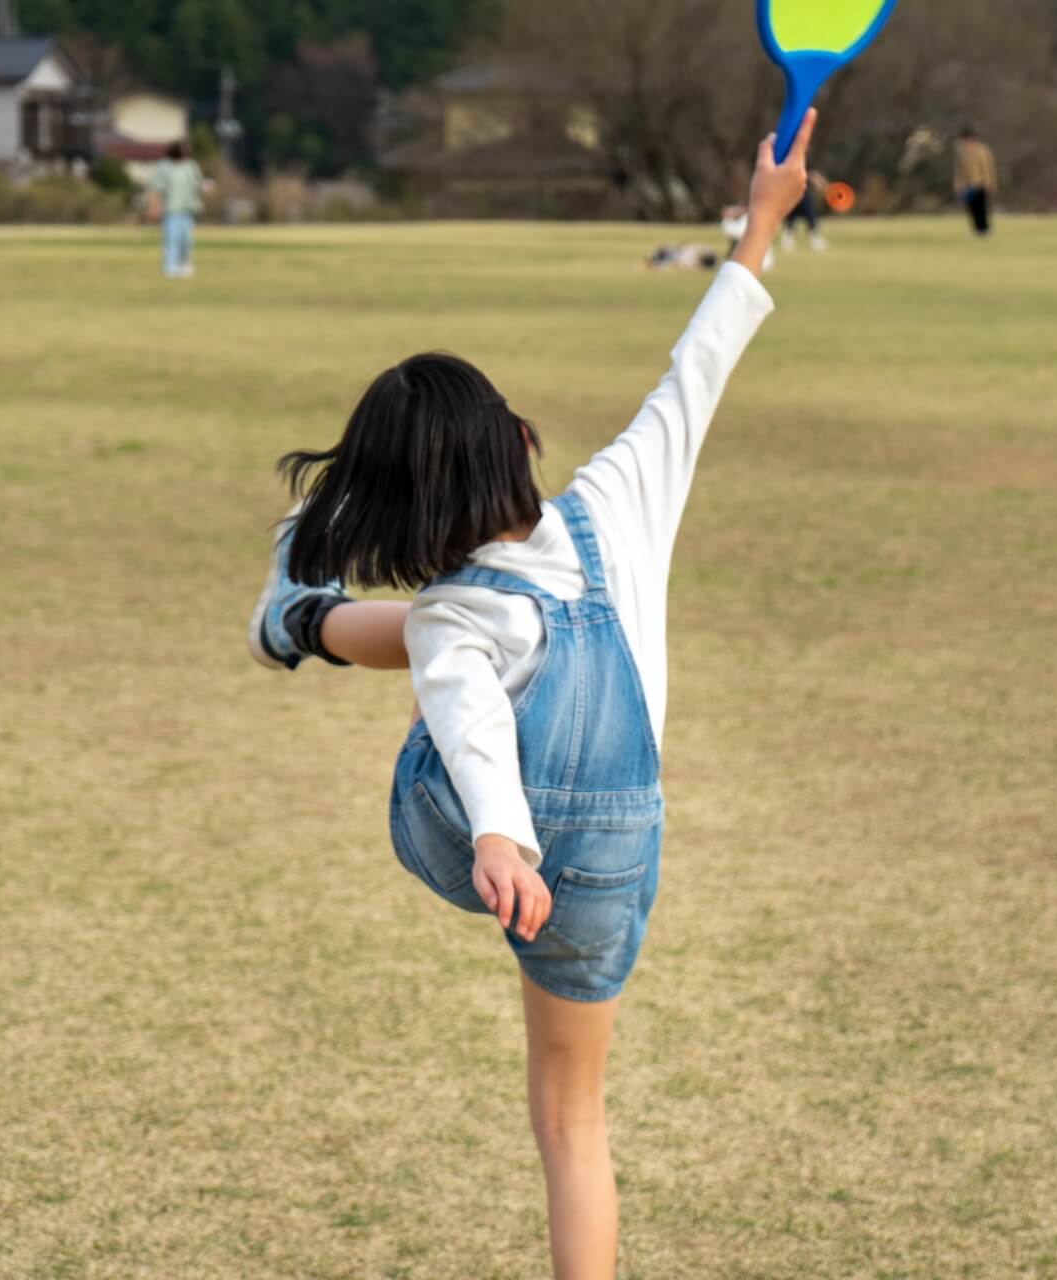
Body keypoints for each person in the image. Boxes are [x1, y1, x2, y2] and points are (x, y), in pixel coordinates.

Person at [243, 110, 818, 1279]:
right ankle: (295, 620)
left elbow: (461, 714)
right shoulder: (620, 499)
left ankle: (295, 619)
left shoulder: (455, 610)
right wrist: (760, 221)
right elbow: (696, 366)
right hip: (611, 860)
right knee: (573, 1120)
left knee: (451, 670)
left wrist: (498, 835)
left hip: (475, 838)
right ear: (514, 437)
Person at [147, 142, 207, 279]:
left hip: (187, 209)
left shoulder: (191, 166)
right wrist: (154, 207)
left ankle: (184, 265)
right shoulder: (164, 167)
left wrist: (204, 189)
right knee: (171, 239)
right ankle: (170, 267)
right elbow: (156, 188)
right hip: (171, 210)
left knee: (186, 240)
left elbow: (198, 183)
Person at [954, 126, 998, 237]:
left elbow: (988, 167)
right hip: (967, 185)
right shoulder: (961, 153)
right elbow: (959, 171)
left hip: (980, 183)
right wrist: (958, 185)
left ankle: (984, 230)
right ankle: (976, 230)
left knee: (981, 208)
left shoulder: (982, 150)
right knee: (972, 208)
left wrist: (990, 182)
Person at [781, 169, 829, 251]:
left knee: (810, 216)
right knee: (791, 217)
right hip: (790, 191)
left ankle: (815, 240)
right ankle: (787, 241)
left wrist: (815, 178)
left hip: (802, 191)